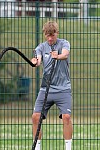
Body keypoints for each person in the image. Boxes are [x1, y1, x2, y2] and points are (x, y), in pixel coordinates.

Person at [31, 21, 73, 150]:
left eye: (52, 35)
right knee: (35, 117)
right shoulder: (41, 47)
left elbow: (65, 54)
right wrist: (34, 61)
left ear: (57, 33)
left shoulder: (64, 43)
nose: (50, 38)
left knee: (66, 117)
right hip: (46, 89)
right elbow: (38, 60)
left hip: (63, 89)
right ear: (44, 34)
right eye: (47, 35)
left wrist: (58, 56)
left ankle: (68, 148)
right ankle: (37, 148)